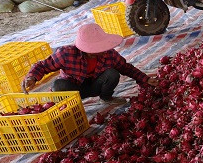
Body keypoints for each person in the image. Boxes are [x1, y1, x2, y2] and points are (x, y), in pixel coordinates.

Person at [22, 22, 158, 103]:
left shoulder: (109, 54)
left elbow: (126, 68)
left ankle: (106, 97)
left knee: (112, 73)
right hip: (74, 90)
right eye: (100, 47)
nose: (105, 49)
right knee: (58, 85)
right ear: (89, 50)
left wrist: (145, 79)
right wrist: (32, 77)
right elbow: (43, 66)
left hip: (96, 86)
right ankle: (72, 107)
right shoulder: (66, 54)